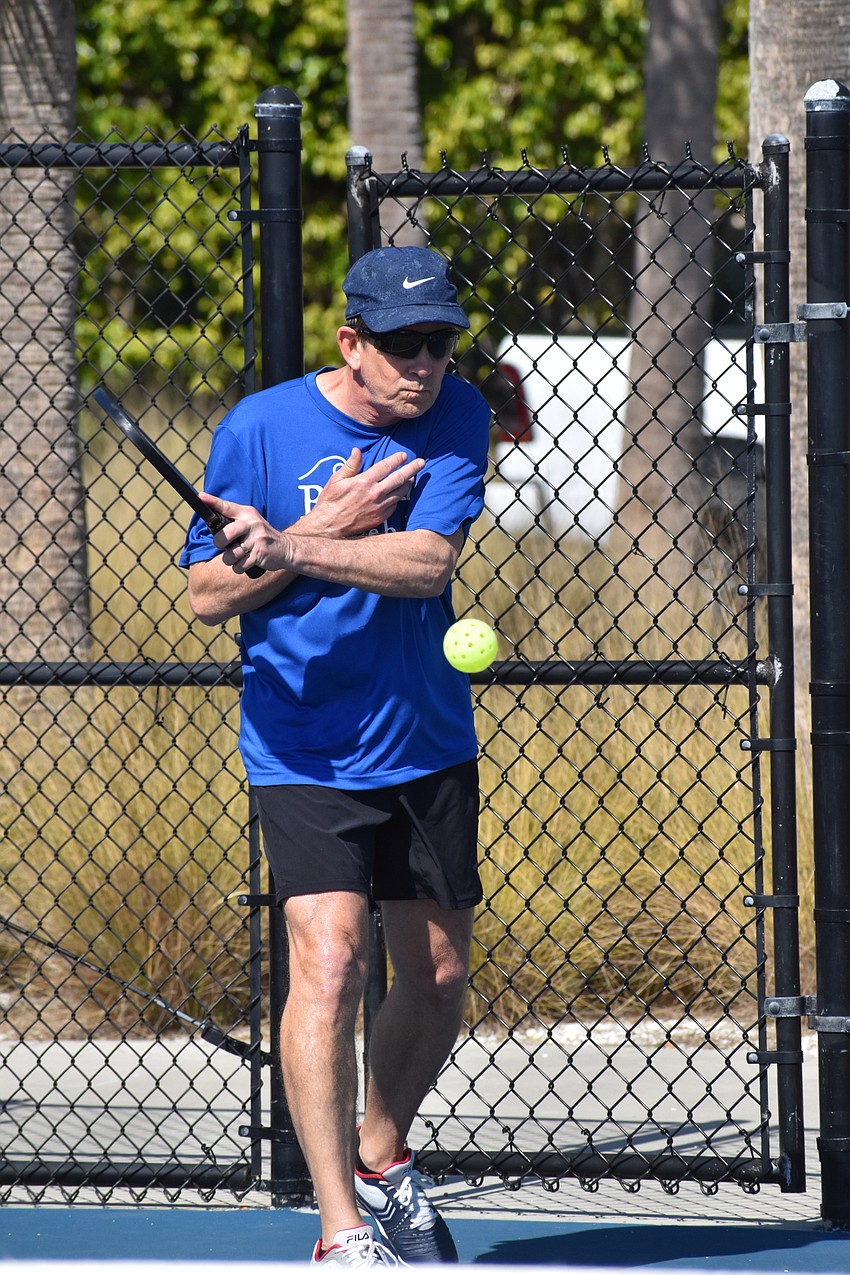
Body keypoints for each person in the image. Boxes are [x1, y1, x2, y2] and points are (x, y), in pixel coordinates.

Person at [181, 245, 491, 1267]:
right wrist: (297, 531)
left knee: (438, 977)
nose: (423, 363)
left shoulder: (457, 417)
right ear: (350, 342)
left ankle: (379, 1151)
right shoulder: (259, 429)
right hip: (302, 744)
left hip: (425, 740)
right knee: (329, 964)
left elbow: (426, 562)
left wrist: (301, 544)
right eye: (400, 345)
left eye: (438, 343)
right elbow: (205, 594)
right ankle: (340, 1230)